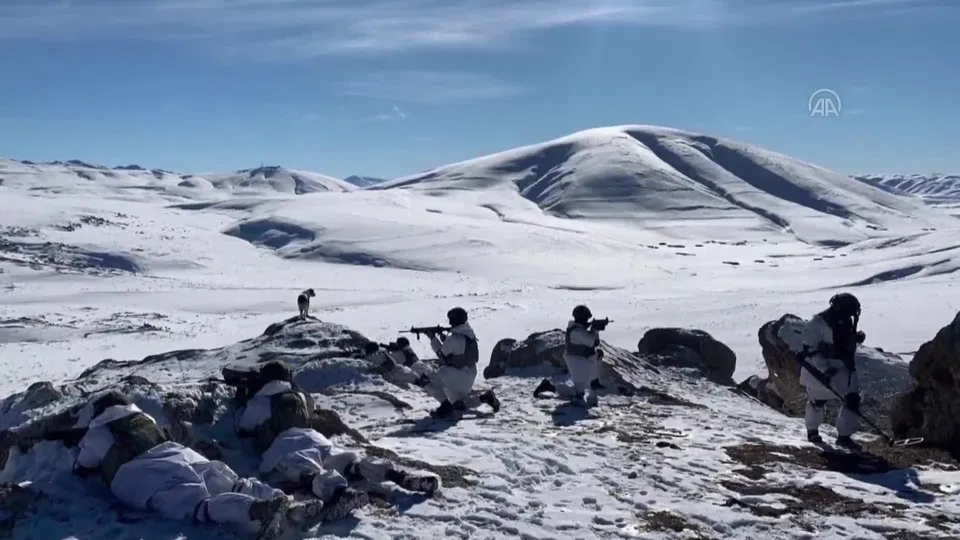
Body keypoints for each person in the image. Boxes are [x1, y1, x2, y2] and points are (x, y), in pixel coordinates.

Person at [71, 390, 321, 540]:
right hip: (181, 455)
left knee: (201, 506)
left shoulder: (97, 432)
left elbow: (83, 466)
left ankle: (260, 511)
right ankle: (285, 502)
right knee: (233, 483)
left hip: (147, 476)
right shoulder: (143, 417)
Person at [233, 360, 442, 519]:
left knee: (308, 473)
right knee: (350, 462)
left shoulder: (260, 402)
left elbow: (243, 429)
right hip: (315, 438)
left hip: (285, 445)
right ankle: (399, 475)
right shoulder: (300, 396)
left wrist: (244, 398)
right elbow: (311, 408)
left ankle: (342, 493)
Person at [798, 292, 867, 450]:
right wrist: (824, 369)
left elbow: (842, 344)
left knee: (852, 399)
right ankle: (812, 431)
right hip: (820, 371)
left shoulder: (846, 321)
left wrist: (854, 339)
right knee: (817, 401)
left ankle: (844, 436)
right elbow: (811, 349)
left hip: (842, 368)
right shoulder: (817, 323)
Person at [423, 307, 500, 418]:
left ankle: (445, 406)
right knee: (459, 403)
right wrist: (444, 338)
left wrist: (432, 338)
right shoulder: (469, 333)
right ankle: (484, 397)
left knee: (428, 380)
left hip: (456, 375)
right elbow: (459, 348)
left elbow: (441, 354)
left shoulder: (454, 338)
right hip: (469, 374)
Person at [533, 305, 604, 407]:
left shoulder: (577, 329)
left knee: (586, 385)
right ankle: (550, 387)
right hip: (577, 360)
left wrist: (593, 327)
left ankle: (592, 385)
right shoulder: (577, 332)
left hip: (581, 358)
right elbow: (594, 342)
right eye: (586, 318)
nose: (587, 320)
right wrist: (595, 329)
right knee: (579, 390)